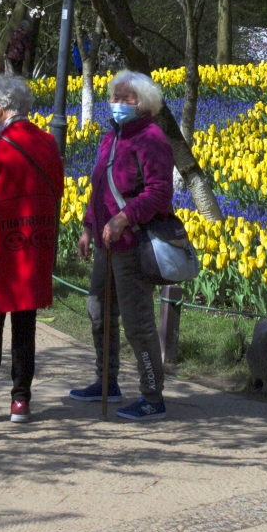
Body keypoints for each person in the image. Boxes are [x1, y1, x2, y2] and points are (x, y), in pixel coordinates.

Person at [74, 70, 176, 421]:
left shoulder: (152, 139)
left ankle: (152, 396)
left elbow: (159, 193)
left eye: (126, 98)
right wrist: (89, 226)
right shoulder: (112, 137)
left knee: (137, 323)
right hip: (105, 242)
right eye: (114, 97)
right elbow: (99, 187)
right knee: (98, 310)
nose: (117, 103)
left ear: (143, 103)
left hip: (132, 243)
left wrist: (124, 218)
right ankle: (106, 381)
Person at [0, 71, 62, 421]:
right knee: (26, 324)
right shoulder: (48, 143)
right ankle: (21, 400)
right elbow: (59, 189)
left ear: (2, 108)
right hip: (35, 243)